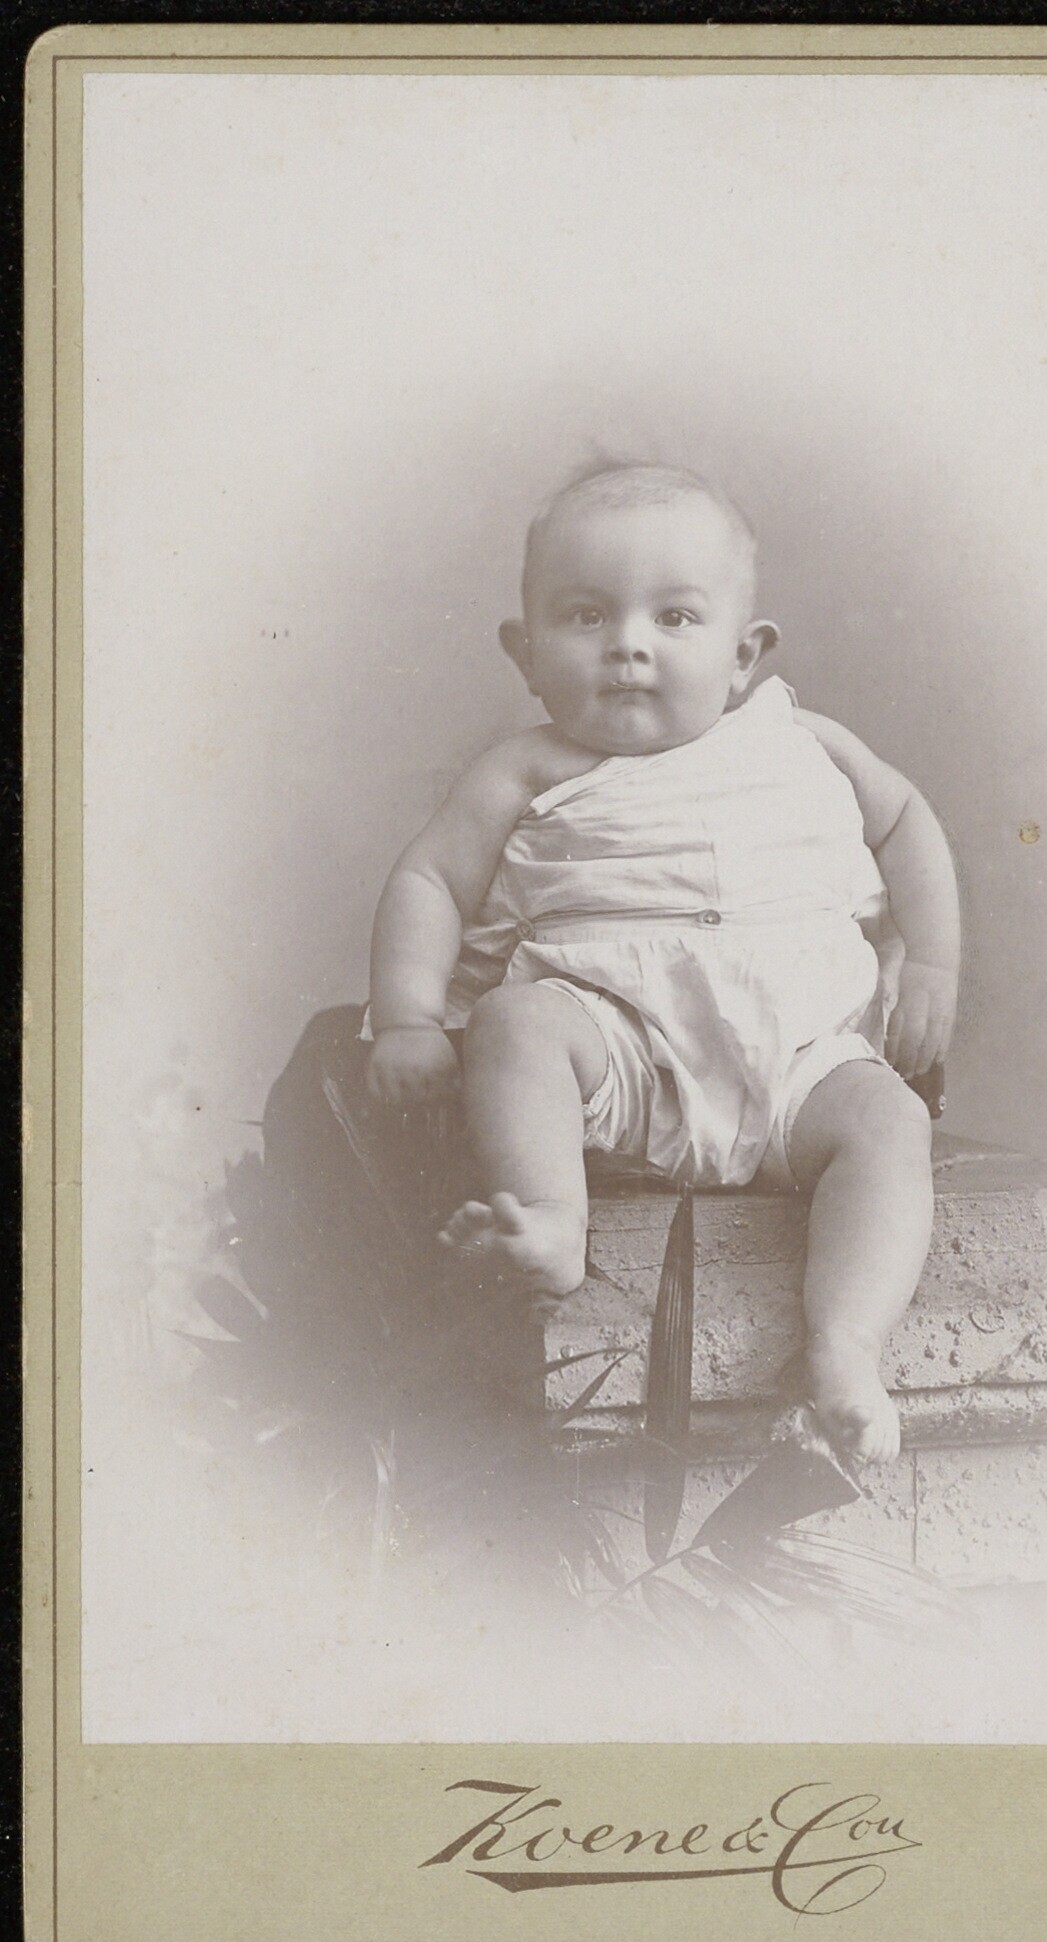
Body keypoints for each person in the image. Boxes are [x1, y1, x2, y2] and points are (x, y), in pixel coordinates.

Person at [366, 463, 960, 1462]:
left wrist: (932, 963)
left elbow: (904, 821)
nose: (628, 644)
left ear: (744, 653)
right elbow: (429, 879)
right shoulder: (526, 767)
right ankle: (551, 1220)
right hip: (622, 1055)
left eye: (675, 617)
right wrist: (408, 1018)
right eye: (585, 615)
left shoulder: (802, 741)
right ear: (525, 651)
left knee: (890, 1122)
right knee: (516, 1024)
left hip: (797, 1063)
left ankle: (845, 1344)